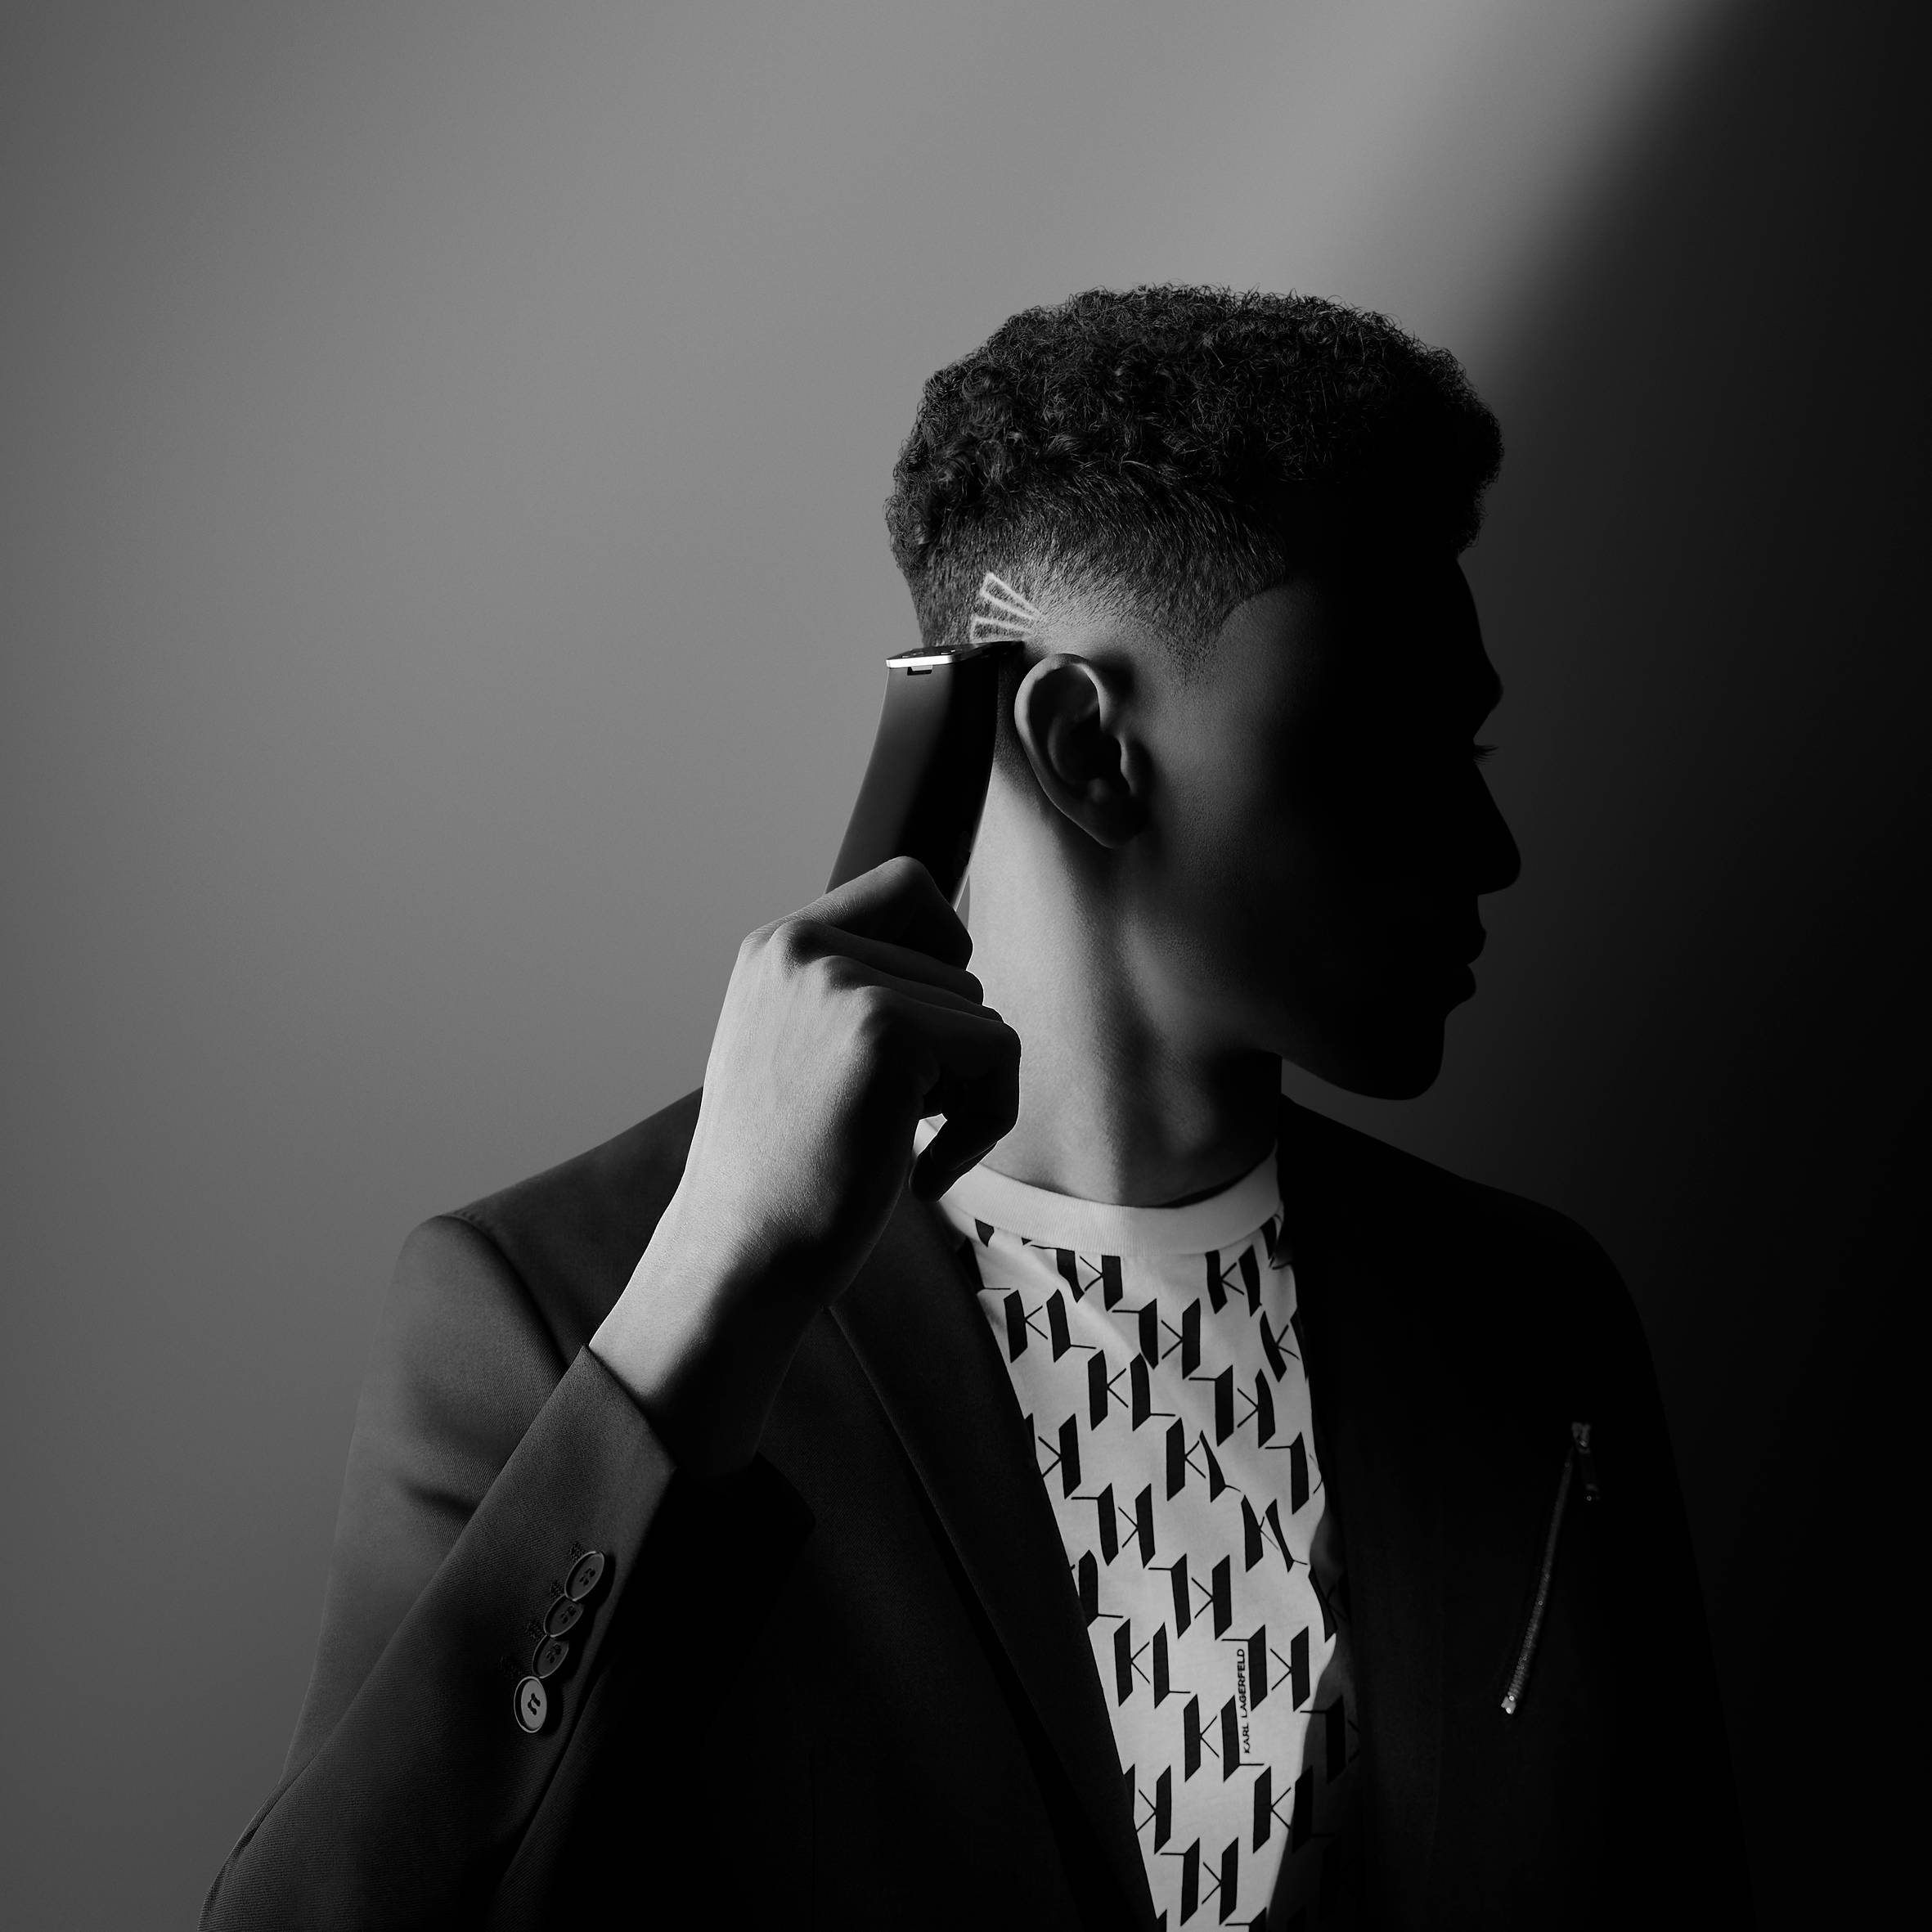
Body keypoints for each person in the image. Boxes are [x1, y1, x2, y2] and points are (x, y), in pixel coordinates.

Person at [201, 287, 1749, 1930]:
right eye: (1386, 743)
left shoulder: (1531, 1322)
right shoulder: (565, 1307)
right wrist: (702, 1303)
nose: (1490, 847)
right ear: (1082, 746)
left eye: (1473, 745)